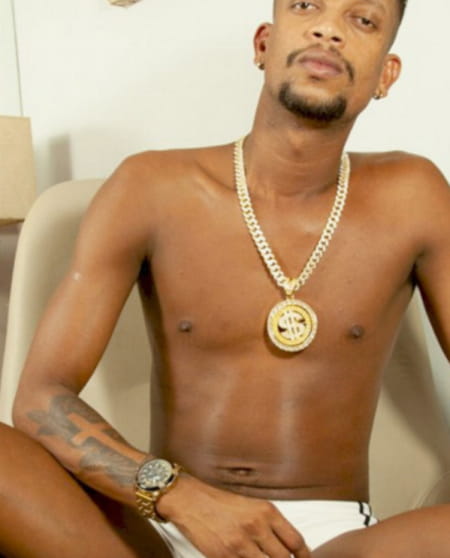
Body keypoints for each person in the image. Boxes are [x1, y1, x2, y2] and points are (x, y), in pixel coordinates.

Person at [1, 0, 449, 556]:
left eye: (362, 19)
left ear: (386, 74)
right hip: (166, 526)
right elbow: (40, 397)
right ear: (263, 44)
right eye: (305, 4)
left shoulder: (414, 196)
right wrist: (178, 495)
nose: (328, 28)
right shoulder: (151, 185)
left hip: (333, 543)